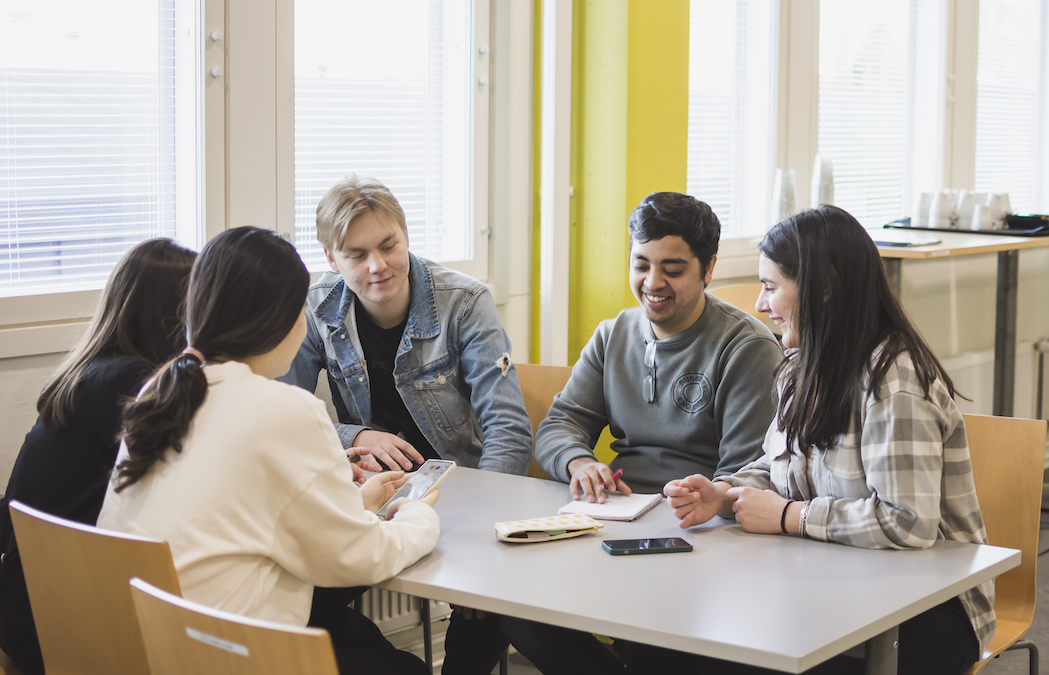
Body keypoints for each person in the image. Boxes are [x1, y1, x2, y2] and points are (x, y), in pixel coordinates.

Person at [659, 205, 993, 675]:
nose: (759, 304)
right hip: (830, 579)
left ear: (826, 289)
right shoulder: (802, 364)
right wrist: (724, 493)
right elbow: (782, 467)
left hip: (928, 607)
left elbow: (908, 524)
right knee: (684, 646)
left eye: (771, 287)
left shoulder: (894, 381)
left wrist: (789, 516)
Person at [98, 226, 439, 675]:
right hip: (230, 654)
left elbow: (239, 515)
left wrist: (355, 505)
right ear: (280, 320)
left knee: (368, 647)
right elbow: (359, 556)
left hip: (151, 650)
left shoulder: (160, 392)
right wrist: (416, 514)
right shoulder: (282, 407)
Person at [503, 192, 784, 674]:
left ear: (708, 268)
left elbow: (746, 474)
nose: (653, 283)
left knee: (657, 649)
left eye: (673, 269)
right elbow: (559, 424)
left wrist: (707, 499)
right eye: (641, 265)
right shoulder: (614, 334)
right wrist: (578, 462)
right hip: (617, 528)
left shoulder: (747, 348)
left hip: (697, 538)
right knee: (512, 607)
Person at [280, 174, 532, 673]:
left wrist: (486, 531)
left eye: (388, 245)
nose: (378, 266)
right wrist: (356, 436)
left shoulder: (465, 302)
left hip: (463, 494)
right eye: (356, 254)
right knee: (300, 592)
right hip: (369, 499)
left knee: (484, 608)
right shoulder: (317, 307)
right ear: (331, 258)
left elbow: (507, 428)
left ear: (407, 234)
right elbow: (283, 417)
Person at [0, 238, 197, 675]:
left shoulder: (84, 374)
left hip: (29, 604)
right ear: (178, 312)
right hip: (81, 621)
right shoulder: (140, 384)